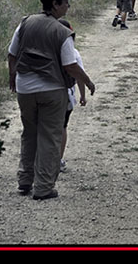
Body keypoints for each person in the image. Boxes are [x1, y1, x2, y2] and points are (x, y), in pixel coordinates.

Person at [7, 0, 95, 200]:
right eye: (65, 2)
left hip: (25, 88)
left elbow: (12, 54)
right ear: (55, 4)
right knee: (49, 136)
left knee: (29, 133)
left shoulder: (25, 23)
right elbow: (70, 66)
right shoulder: (62, 32)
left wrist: (13, 77)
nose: (68, 6)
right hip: (52, 90)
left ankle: (25, 179)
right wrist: (88, 82)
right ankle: (44, 186)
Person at [57, 19, 87, 173]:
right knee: (62, 127)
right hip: (65, 95)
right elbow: (79, 75)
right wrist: (82, 95)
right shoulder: (73, 53)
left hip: (46, 92)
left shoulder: (47, 49)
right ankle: (58, 159)